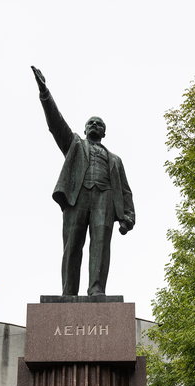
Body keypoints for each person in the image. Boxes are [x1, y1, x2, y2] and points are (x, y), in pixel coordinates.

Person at [32, 66, 135, 297]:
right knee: (72, 245)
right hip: (77, 197)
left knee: (101, 245)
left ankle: (96, 289)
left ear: (104, 133)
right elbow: (56, 124)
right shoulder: (75, 145)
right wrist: (45, 93)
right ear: (85, 129)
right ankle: (69, 292)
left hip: (104, 199)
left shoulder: (115, 160)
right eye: (91, 123)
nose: (95, 125)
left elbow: (125, 191)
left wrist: (128, 216)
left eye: (99, 124)